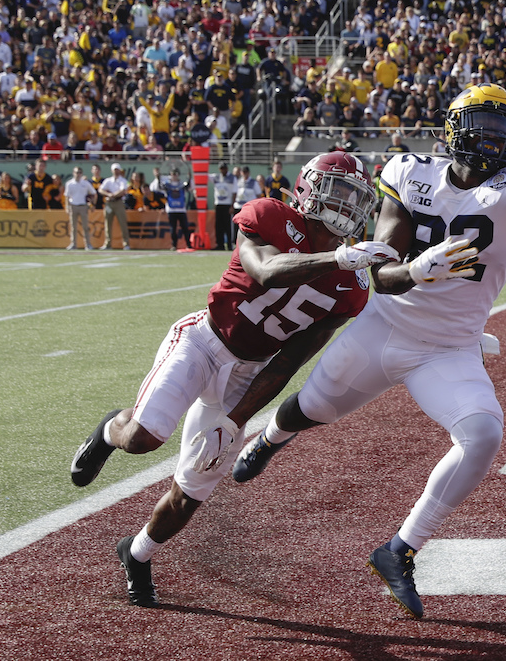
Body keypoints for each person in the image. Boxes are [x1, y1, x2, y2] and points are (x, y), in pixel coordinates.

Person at [231, 62, 506, 620]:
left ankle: (399, 550)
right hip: (385, 325)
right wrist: (419, 270)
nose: (488, 140)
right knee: (309, 409)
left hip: (450, 347)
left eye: (499, 131)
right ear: (453, 128)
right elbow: (380, 276)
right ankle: (269, 439)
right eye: (479, 126)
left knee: (483, 434)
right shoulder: (412, 173)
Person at [70, 151, 396, 608]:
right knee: (144, 439)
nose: (345, 206)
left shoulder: (353, 287)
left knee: (192, 489)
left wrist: (237, 419)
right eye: (337, 191)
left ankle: (138, 552)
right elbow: (265, 270)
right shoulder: (270, 215)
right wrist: (337, 259)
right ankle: (110, 429)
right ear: (307, 187)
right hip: (203, 342)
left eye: (354, 198)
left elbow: (288, 361)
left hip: (249, 373)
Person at [98, 163, 131, 250]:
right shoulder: (108, 180)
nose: (116, 171)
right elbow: (100, 189)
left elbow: (123, 190)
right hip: (109, 203)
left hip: (119, 202)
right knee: (107, 223)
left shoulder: (123, 180)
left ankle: (126, 243)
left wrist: (113, 195)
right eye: (114, 170)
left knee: (122, 223)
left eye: (117, 170)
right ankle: (108, 244)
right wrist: (108, 194)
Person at [64, 166, 96, 250]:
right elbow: (67, 196)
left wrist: (92, 204)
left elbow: (93, 193)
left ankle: (88, 244)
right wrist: (67, 207)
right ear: (73, 173)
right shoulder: (69, 183)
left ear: (81, 174)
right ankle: (73, 244)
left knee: (85, 226)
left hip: (83, 206)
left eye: (79, 173)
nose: (77, 174)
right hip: (73, 205)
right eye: (76, 172)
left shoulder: (85, 183)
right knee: (73, 226)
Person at [209, 162, 237, 250]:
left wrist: (232, 205)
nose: (222, 170)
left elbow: (234, 192)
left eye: (224, 168)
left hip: (227, 204)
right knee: (218, 226)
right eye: (221, 169)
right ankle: (219, 244)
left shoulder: (232, 178)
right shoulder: (216, 177)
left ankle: (229, 244)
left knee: (227, 226)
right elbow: (205, 175)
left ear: (227, 169)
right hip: (218, 204)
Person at [161, 169, 191, 251]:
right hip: (171, 209)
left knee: (185, 227)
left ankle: (189, 244)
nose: (174, 175)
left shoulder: (182, 184)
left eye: (175, 174)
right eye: (172, 174)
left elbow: (189, 187)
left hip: (181, 209)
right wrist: (157, 177)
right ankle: (174, 245)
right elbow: (159, 188)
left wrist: (189, 177)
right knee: (173, 228)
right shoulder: (167, 185)